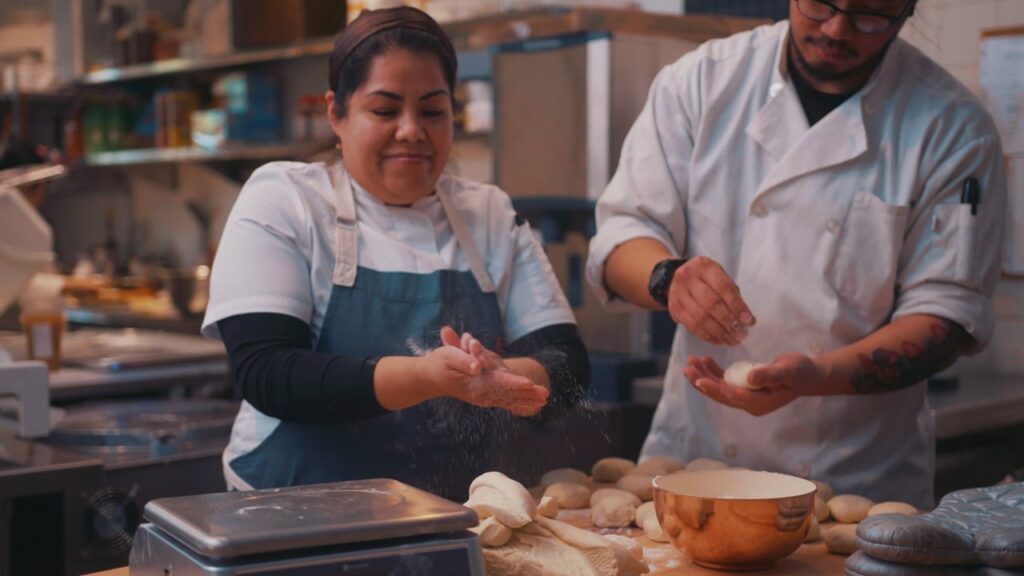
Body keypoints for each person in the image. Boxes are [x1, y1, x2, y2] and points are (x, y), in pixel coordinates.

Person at [586, 0, 1006, 509]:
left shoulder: (951, 125)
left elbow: (945, 318)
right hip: (699, 464)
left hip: (856, 483)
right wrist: (668, 279)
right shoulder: (702, 81)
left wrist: (818, 377)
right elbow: (623, 232)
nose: (837, 28)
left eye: (870, 15)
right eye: (821, 3)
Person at [202, 7, 587, 499]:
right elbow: (269, 373)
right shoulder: (285, 201)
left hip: (448, 518)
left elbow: (567, 361)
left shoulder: (488, 214)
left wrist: (506, 376)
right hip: (289, 520)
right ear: (336, 114)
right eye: (385, 110)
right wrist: (427, 376)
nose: (411, 130)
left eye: (432, 111)